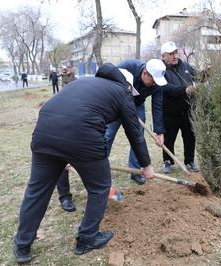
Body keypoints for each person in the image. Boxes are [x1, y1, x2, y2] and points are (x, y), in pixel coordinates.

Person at [13, 63, 155, 263]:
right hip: (82, 137)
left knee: (37, 190)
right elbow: (135, 134)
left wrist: (62, 154)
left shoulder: (82, 82)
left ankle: (22, 245)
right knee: (100, 187)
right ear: (128, 87)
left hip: (45, 134)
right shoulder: (122, 92)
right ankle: (87, 238)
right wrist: (146, 166)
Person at [104, 58, 167, 185]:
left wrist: (159, 131)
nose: (155, 84)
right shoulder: (127, 67)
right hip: (117, 104)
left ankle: (135, 170)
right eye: (153, 80)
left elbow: (157, 105)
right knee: (107, 135)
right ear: (144, 73)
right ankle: (100, 168)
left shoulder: (158, 84)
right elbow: (109, 84)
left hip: (137, 106)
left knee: (138, 137)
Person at [160, 41, 199, 174]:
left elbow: (198, 76)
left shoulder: (185, 66)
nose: (175, 56)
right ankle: (168, 162)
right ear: (164, 56)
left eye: (176, 52)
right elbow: (164, 88)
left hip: (188, 110)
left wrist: (207, 72)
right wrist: (185, 89)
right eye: (171, 54)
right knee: (169, 138)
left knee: (190, 137)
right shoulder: (161, 70)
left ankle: (189, 161)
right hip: (170, 111)